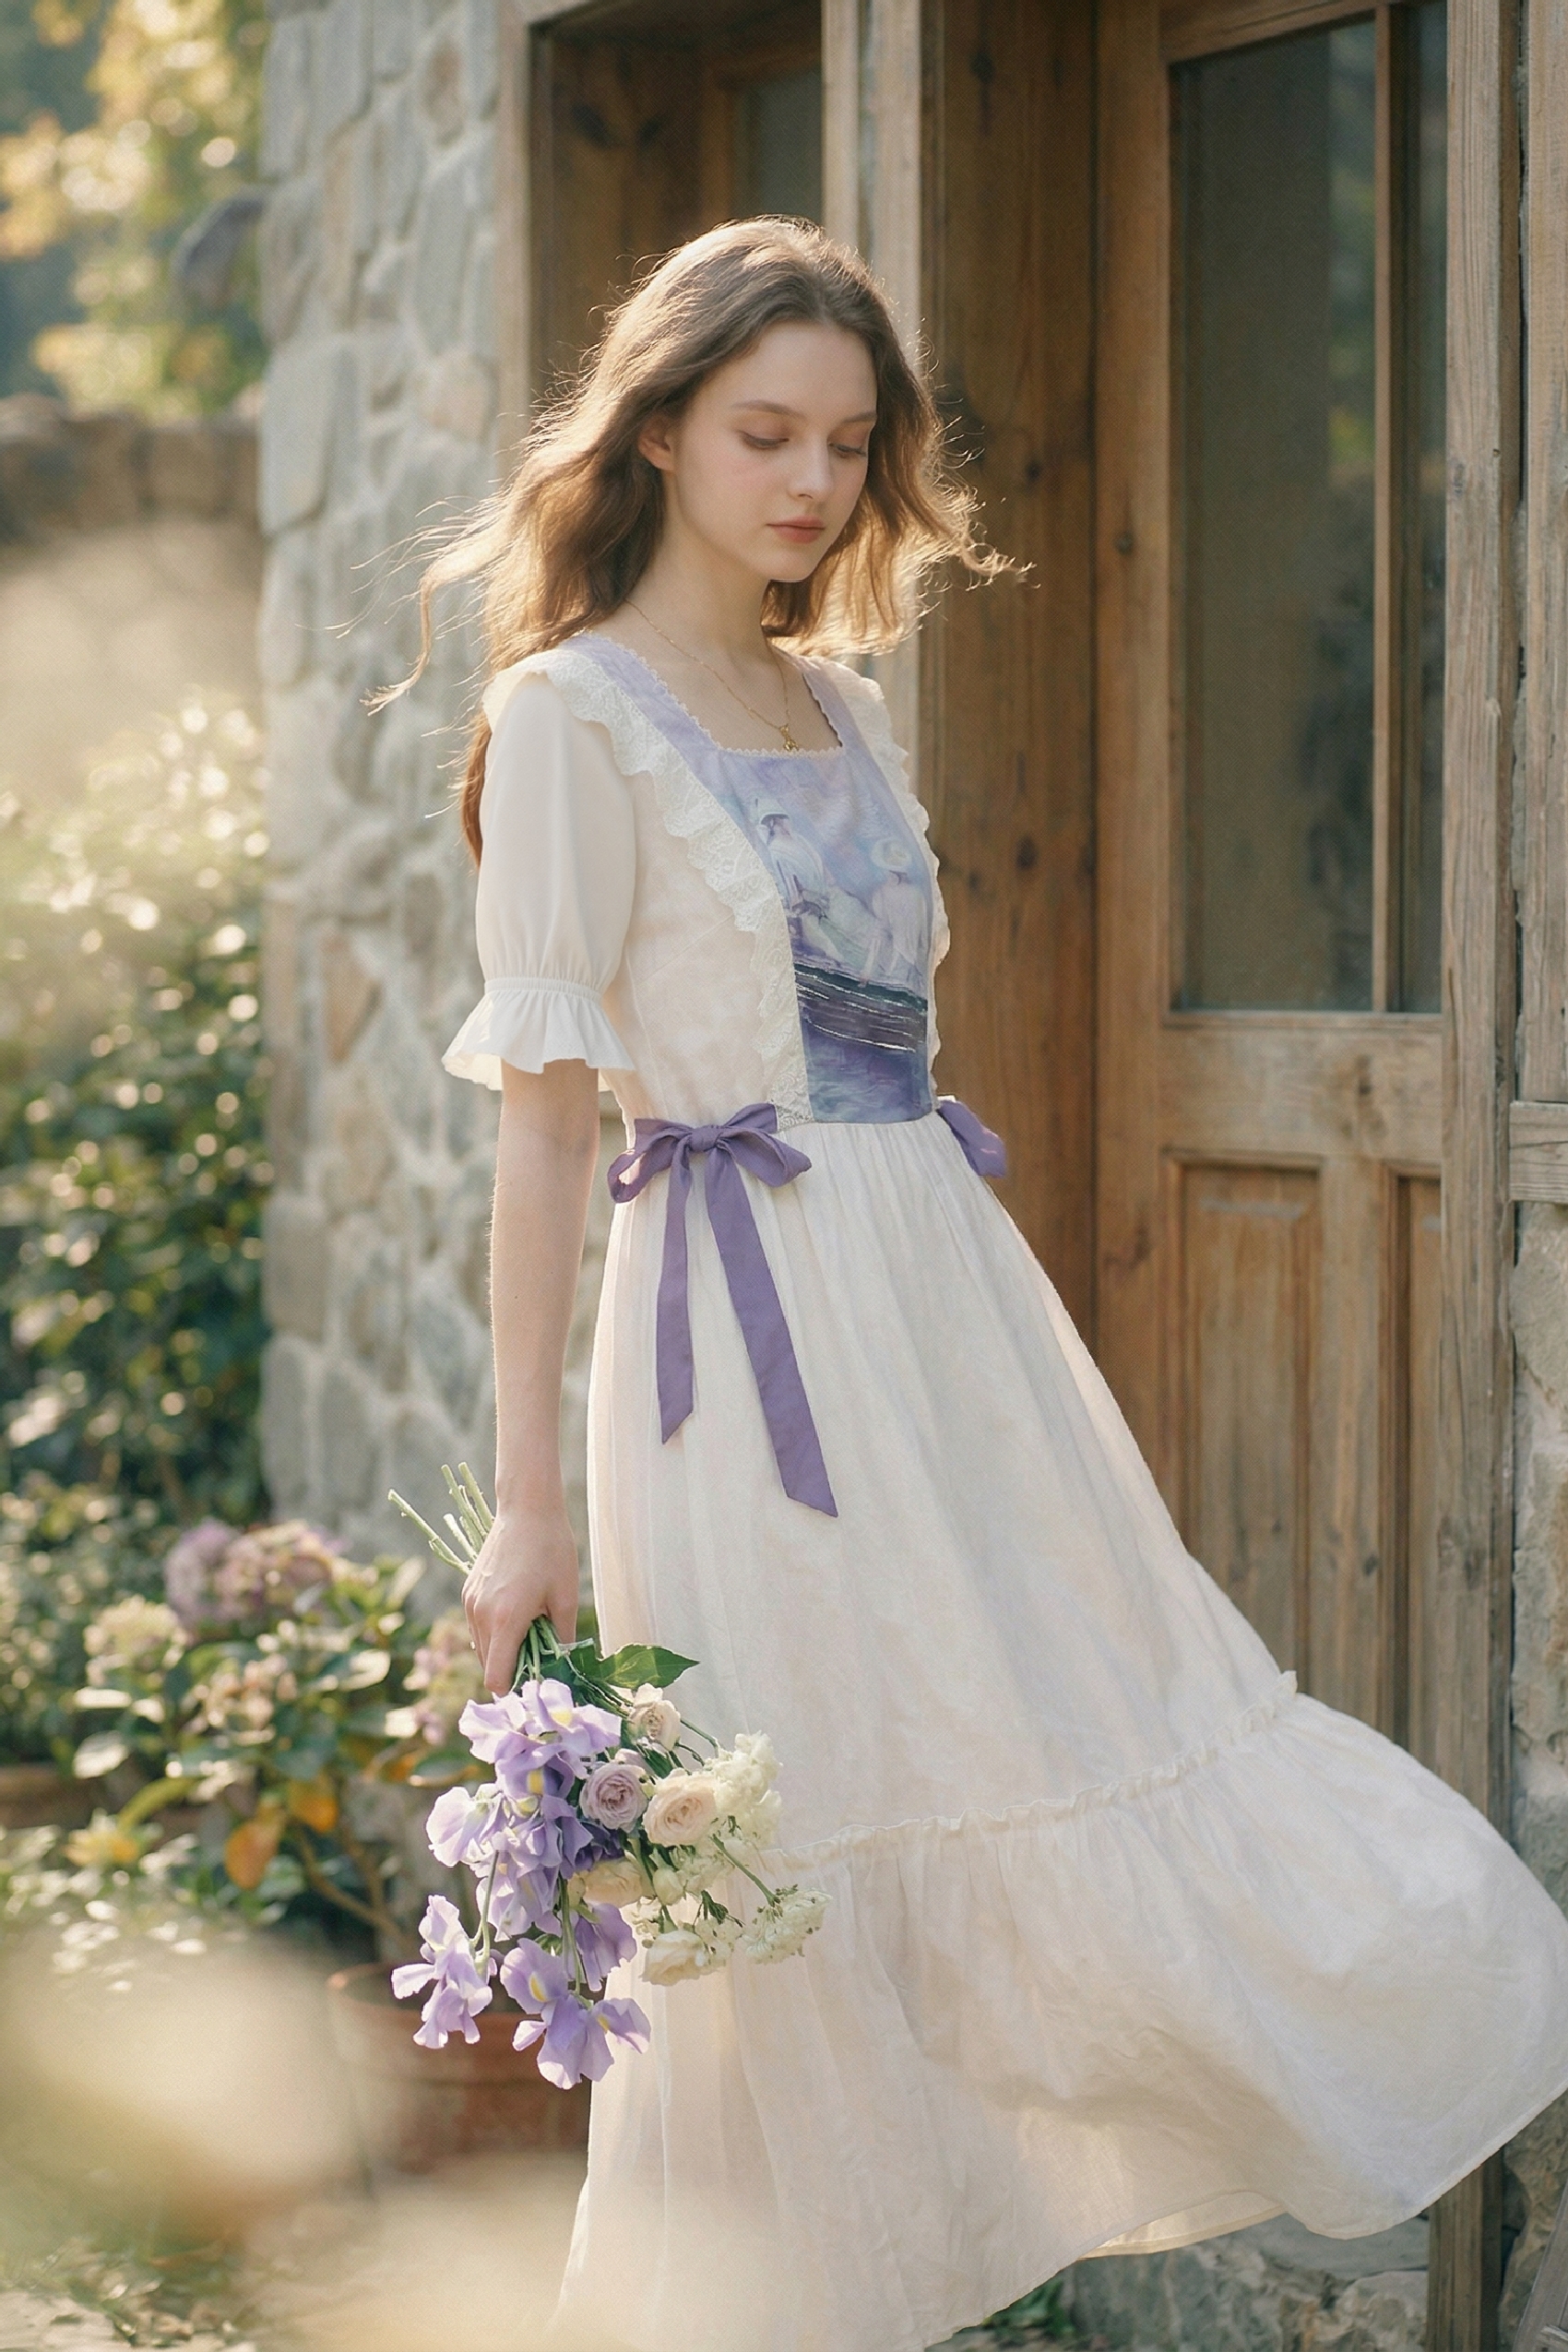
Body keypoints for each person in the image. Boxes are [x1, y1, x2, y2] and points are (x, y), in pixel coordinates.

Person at [409, 219, 1568, 2352]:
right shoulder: (572, 716)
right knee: (786, 1866)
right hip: (732, 1349)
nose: (812, 482)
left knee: (1087, 1723)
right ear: (657, 428)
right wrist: (535, 1508)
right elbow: (550, 1128)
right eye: (764, 431)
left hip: (941, 1300)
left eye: (849, 443)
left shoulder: (838, 709)